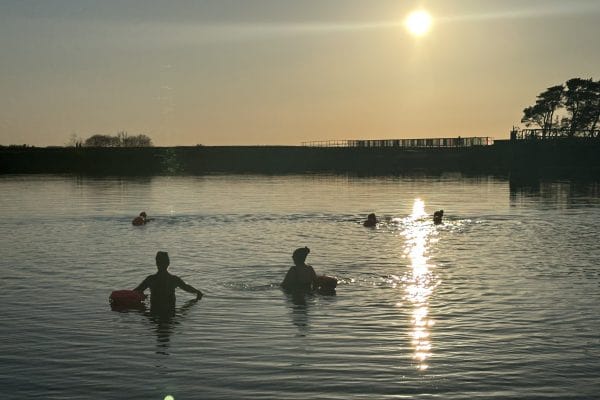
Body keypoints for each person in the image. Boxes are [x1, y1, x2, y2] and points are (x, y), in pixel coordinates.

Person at [134, 251, 203, 312]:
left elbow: (136, 291)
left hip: (154, 314)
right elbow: (186, 288)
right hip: (170, 313)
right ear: (168, 263)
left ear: (156, 263)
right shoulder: (174, 279)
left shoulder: (150, 279)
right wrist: (197, 292)